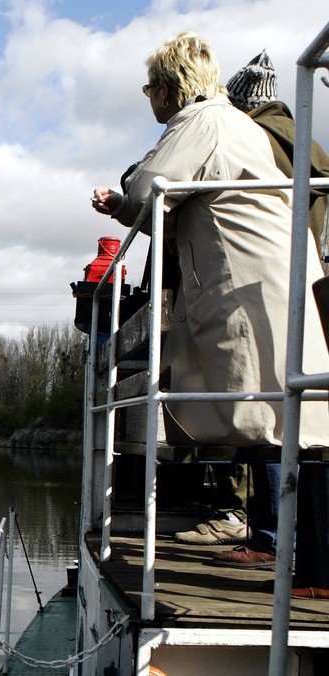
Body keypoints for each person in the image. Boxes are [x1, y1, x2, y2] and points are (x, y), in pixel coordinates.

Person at [90, 32, 329, 577]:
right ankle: (310, 562)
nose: (148, 96)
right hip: (274, 286)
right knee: (299, 424)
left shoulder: (202, 122)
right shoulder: (231, 123)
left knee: (290, 425)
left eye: (151, 86)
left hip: (255, 291)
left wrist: (121, 202)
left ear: (172, 88)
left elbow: (152, 189)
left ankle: (319, 569)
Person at [206, 50, 329, 594]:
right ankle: (271, 538)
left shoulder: (262, 139)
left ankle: (281, 544)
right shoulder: (294, 138)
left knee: (282, 426)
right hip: (297, 283)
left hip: (281, 286)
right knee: (283, 424)